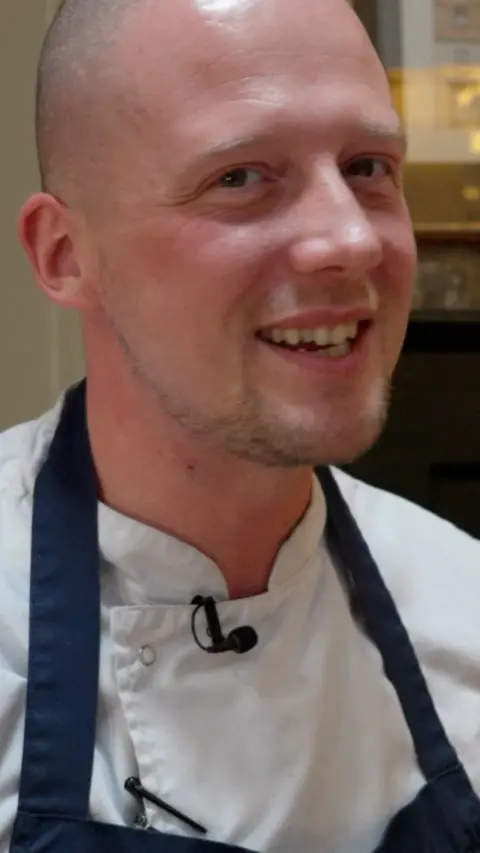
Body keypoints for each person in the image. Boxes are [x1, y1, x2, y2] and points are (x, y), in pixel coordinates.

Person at [1, 0, 480, 850]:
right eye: (240, 177)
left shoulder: (464, 610)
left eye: (369, 165)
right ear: (65, 253)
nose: (348, 239)